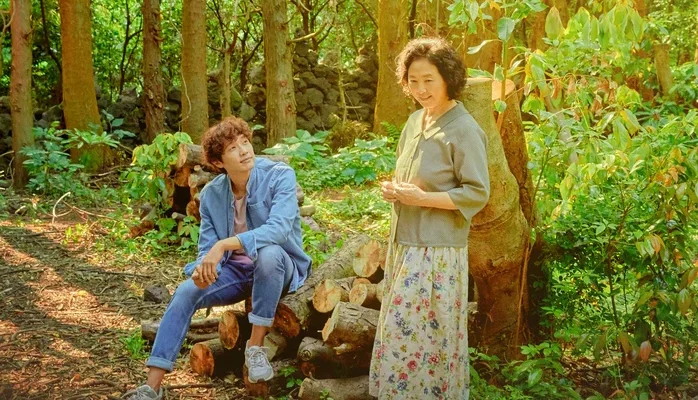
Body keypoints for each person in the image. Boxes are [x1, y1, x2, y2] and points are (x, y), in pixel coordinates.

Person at [124, 117, 312, 400]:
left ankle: (255, 348)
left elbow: (279, 228)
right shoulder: (212, 195)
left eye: (245, 142)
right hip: (236, 272)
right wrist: (203, 269)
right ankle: (152, 386)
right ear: (218, 162)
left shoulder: (279, 175)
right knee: (186, 291)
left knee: (269, 253)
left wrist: (225, 244)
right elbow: (208, 248)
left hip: (278, 267)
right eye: (233, 148)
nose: (244, 150)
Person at [369, 37, 490, 399]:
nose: (420, 89)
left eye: (429, 80)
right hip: (404, 244)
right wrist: (395, 190)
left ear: (448, 78)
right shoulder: (414, 121)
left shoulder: (465, 129)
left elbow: (477, 193)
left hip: (438, 252)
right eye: (413, 81)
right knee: (401, 335)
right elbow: (411, 177)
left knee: (428, 338)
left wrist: (423, 199)